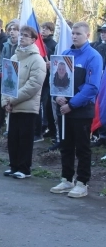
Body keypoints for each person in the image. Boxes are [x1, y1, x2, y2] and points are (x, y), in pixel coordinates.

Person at [50, 22, 102, 198]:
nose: (74, 36)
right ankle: (66, 179)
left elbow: (92, 87)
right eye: (72, 33)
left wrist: (71, 104)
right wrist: (56, 97)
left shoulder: (93, 56)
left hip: (81, 110)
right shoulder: (65, 54)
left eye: (78, 33)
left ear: (87, 35)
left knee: (82, 147)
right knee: (66, 146)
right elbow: (56, 79)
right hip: (63, 109)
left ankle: (82, 182)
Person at [1, 25, 46, 179]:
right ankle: (14, 166)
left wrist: (13, 100)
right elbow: (7, 83)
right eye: (21, 35)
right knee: (13, 138)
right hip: (12, 106)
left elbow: (33, 85)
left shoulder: (37, 59)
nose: (22, 37)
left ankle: (24, 169)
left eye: (26, 35)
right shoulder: (14, 58)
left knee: (25, 139)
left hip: (27, 107)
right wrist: (4, 101)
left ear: (34, 39)